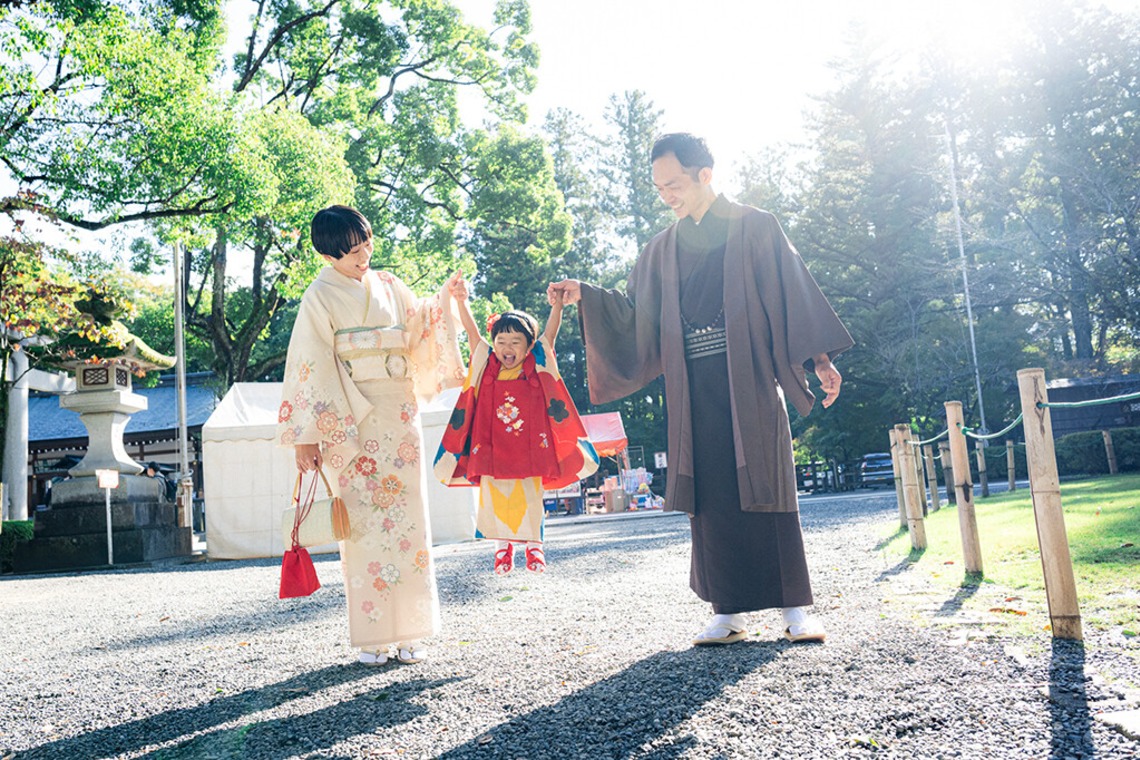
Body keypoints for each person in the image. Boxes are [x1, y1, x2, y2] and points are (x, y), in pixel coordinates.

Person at [549, 133, 853, 646]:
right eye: (658, 187)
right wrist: (588, 296)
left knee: (766, 481)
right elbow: (635, 316)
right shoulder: (661, 250)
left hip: (750, 376)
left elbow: (791, 296)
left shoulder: (757, 227)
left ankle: (796, 607)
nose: (666, 194)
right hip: (692, 385)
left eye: (673, 183)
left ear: (704, 175)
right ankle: (727, 610)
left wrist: (819, 360)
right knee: (710, 491)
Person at [276, 205, 466, 666]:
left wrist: (446, 299)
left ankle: (412, 631)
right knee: (361, 527)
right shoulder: (318, 296)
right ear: (328, 254)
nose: (364, 257)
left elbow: (421, 326)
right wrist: (308, 436)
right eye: (352, 252)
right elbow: (309, 364)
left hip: (397, 412)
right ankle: (373, 636)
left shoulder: (390, 286)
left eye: (367, 247)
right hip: (348, 419)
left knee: (409, 520)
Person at [434, 282, 598, 574]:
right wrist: (462, 301)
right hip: (491, 444)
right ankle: (501, 549)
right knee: (494, 497)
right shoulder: (486, 364)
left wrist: (557, 305)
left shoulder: (536, 364)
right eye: (501, 341)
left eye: (515, 342)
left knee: (529, 496)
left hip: (529, 446)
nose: (506, 348)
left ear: (529, 344)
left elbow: (550, 334)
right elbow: (472, 333)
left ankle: (534, 548)